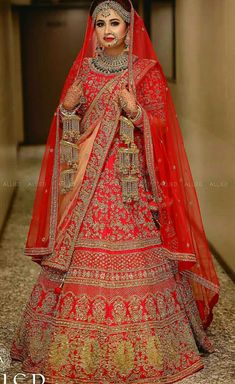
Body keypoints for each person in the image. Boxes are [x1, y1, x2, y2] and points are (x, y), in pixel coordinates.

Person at [10, 0, 220, 383]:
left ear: (129, 29)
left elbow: (163, 129)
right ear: (93, 29)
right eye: (100, 23)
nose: (108, 30)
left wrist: (137, 112)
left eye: (115, 23)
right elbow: (69, 132)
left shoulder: (145, 72)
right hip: (87, 186)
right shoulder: (84, 70)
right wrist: (67, 112)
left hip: (128, 184)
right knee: (75, 254)